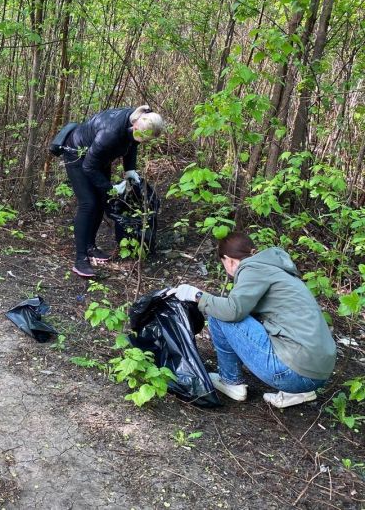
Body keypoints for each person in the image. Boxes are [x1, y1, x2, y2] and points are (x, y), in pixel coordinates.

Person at [170, 232, 336, 408]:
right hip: (318, 374)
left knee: (219, 317)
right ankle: (298, 392)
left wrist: (197, 295)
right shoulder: (277, 271)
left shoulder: (252, 269)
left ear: (229, 260)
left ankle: (231, 382)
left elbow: (232, 311)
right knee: (229, 312)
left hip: (292, 373)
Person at [59, 105, 163, 278]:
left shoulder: (135, 121)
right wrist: (111, 188)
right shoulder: (110, 132)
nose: (143, 141)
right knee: (89, 203)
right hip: (77, 155)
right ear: (135, 127)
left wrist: (130, 170)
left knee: (101, 201)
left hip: (98, 159)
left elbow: (132, 144)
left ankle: (90, 247)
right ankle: (80, 259)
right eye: (143, 137)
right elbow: (88, 166)